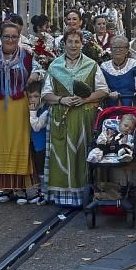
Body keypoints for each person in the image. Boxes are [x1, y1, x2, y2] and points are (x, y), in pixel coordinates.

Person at [41, 28, 108, 207]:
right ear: (64, 44)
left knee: (82, 153)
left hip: (84, 116)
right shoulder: (54, 66)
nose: (73, 45)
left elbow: (103, 90)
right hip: (60, 117)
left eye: (76, 42)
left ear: (82, 44)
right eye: (70, 42)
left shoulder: (92, 65)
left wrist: (85, 98)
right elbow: (46, 93)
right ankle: (62, 196)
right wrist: (61, 99)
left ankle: (84, 194)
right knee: (61, 154)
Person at [0, 22, 37, 203]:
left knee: (19, 144)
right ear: (0, 37)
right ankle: (5, 188)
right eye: (6, 36)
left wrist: (36, 75)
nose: (10, 40)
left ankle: (21, 188)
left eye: (14, 36)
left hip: (19, 105)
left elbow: (40, 71)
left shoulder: (27, 56)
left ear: (19, 38)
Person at [100, 37, 136, 107]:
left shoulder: (133, 64)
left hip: (131, 104)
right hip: (111, 105)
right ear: (110, 49)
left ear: (127, 50)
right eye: (115, 47)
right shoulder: (104, 66)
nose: (118, 50)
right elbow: (102, 86)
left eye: (121, 47)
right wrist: (109, 93)